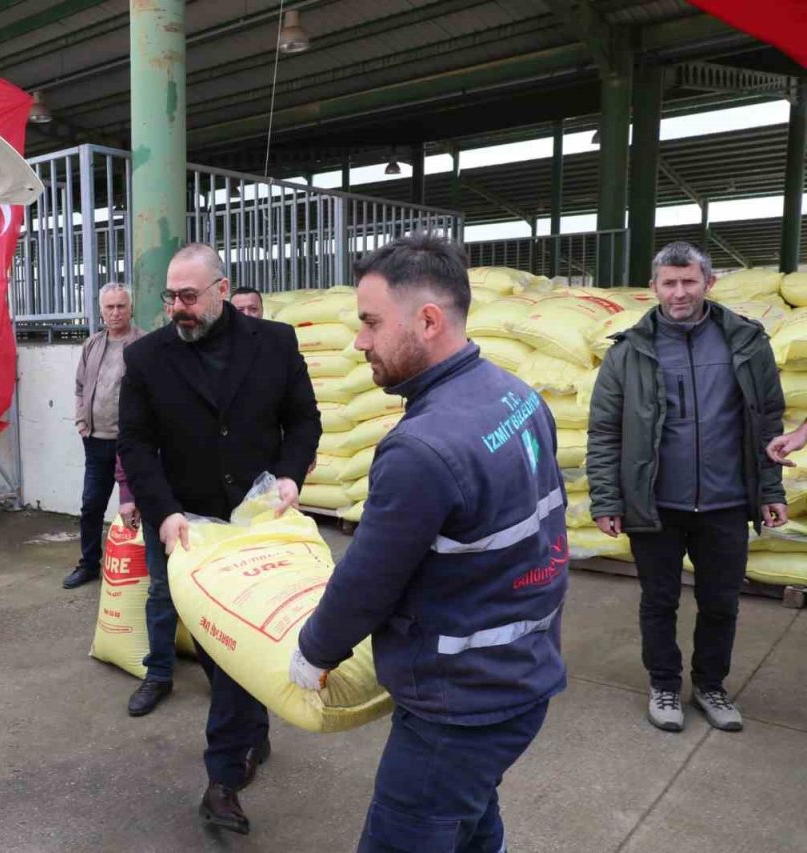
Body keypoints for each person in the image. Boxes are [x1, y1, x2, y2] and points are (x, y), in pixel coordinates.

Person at [289, 233, 567, 853]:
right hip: (521, 675)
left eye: (370, 323)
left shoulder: (422, 448)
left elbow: (367, 580)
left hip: (458, 706)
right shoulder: (517, 395)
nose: (359, 342)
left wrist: (314, 652)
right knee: (470, 818)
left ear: (429, 321)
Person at [119, 243, 320, 834]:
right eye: (170, 298)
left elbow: (303, 419)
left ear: (222, 290)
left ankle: (223, 778)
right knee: (216, 649)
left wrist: (289, 474)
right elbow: (135, 443)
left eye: (188, 296)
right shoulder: (147, 357)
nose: (177, 308)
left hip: (257, 523)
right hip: (187, 527)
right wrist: (162, 513)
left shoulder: (274, 343)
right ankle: (251, 730)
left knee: (237, 643)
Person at [587, 241, 787, 734]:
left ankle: (711, 686)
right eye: (669, 283)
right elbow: (605, 432)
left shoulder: (746, 342)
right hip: (655, 502)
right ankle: (664, 684)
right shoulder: (628, 352)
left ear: (708, 283)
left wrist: (770, 490)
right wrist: (607, 499)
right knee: (659, 602)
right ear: (653, 288)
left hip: (726, 501)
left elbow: (767, 424)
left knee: (721, 603)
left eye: (689, 282)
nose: (680, 292)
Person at [65, 282, 145, 589]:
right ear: (101, 311)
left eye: (121, 306)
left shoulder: (143, 344)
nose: (115, 312)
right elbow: (80, 387)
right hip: (96, 441)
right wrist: (81, 422)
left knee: (139, 506)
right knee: (91, 506)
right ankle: (88, 564)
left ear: (131, 308)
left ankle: (143, 567)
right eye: (109, 307)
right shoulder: (92, 344)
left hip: (132, 443)